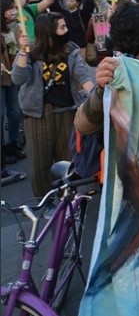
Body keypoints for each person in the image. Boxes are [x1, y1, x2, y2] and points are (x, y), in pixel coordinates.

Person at [12, 12, 94, 197]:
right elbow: (18, 78)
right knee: (41, 163)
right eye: (62, 27)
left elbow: (81, 75)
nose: (66, 30)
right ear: (49, 32)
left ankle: (68, 200)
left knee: (68, 161)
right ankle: (45, 201)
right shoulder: (31, 52)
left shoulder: (70, 49)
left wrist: (96, 93)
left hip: (67, 112)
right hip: (38, 115)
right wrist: (23, 53)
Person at [75, 1, 139, 137]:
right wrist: (101, 90)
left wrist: (100, 90)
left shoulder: (111, 75)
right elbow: (83, 124)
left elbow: (81, 125)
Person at [1, 0, 26, 177]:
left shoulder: (17, 27)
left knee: (16, 112)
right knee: (1, 114)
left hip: (13, 74)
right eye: (9, 9)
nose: (13, 12)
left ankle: (12, 145)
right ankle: (3, 152)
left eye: (14, 8)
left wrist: (25, 43)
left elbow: (24, 48)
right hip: (1, 76)